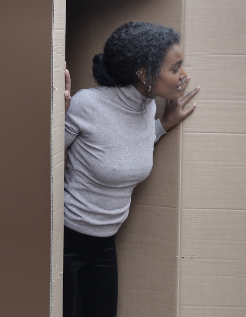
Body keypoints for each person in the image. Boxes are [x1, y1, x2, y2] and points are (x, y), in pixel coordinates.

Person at [60, 21, 200, 317]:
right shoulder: (87, 105)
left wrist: (163, 125)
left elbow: (125, 146)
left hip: (105, 245)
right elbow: (46, 154)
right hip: (64, 241)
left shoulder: (147, 108)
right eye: (175, 68)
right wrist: (56, 117)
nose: (184, 76)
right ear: (144, 75)